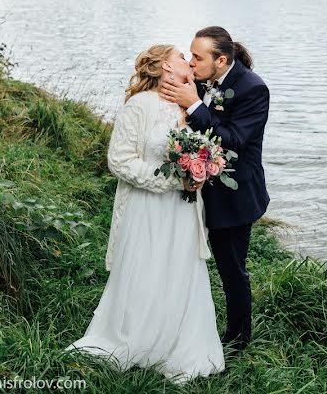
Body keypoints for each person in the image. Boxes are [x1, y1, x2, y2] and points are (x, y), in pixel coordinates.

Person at [64, 44, 224, 383]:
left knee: (181, 271)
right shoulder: (139, 105)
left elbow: (205, 149)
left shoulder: (191, 105)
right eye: (182, 56)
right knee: (147, 270)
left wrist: (200, 172)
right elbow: (119, 161)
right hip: (147, 208)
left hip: (184, 212)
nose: (188, 61)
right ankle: (136, 340)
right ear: (166, 66)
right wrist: (171, 182)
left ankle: (178, 344)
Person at [160, 26, 270, 353]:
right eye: (189, 55)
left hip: (235, 197)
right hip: (201, 188)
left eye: (197, 57)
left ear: (221, 60)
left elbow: (234, 141)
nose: (191, 63)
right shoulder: (204, 81)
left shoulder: (253, 89)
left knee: (230, 268)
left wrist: (194, 106)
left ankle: (238, 339)